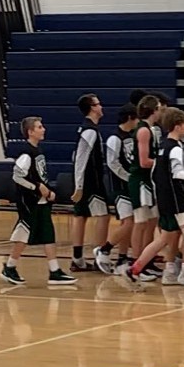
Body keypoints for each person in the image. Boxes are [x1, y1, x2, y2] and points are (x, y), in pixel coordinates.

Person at [123, 107, 184, 295]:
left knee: (165, 239)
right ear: (178, 126)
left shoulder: (163, 147)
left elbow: (155, 174)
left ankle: (133, 270)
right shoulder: (174, 147)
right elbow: (177, 172)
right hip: (176, 199)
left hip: (165, 199)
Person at [1, 117, 77, 285]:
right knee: (24, 234)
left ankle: (54, 270)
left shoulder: (38, 151)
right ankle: (9, 267)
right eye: (40, 127)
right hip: (29, 201)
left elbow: (40, 176)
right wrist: (37, 188)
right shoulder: (26, 153)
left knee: (47, 233)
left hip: (41, 200)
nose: (43, 129)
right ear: (30, 132)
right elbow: (17, 176)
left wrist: (48, 192)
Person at [93, 102, 138, 274]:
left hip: (131, 187)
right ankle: (104, 249)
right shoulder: (114, 138)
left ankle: (122, 258)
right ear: (129, 118)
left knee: (130, 223)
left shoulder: (132, 135)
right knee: (129, 222)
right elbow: (113, 163)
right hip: (120, 187)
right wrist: (129, 178)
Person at [70, 93, 109, 273]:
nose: (101, 107)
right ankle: (101, 256)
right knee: (103, 216)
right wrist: (79, 185)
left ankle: (77, 258)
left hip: (85, 181)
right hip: (90, 182)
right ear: (92, 107)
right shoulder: (90, 131)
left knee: (81, 216)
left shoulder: (87, 129)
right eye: (98, 104)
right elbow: (80, 158)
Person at [127, 94, 164, 281]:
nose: (161, 111)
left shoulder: (152, 129)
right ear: (153, 110)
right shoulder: (143, 131)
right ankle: (135, 263)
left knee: (151, 222)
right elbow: (143, 161)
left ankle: (145, 261)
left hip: (149, 181)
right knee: (140, 222)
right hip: (140, 180)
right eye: (158, 108)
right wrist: (163, 163)